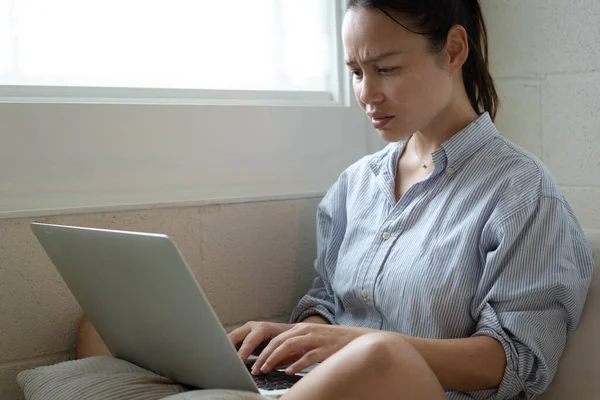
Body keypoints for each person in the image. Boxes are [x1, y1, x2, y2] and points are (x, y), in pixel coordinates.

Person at [79, 1, 594, 399]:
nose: (366, 93)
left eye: (386, 69)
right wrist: (296, 336)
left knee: (382, 357)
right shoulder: (356, 185)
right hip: (320, 385)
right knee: (98, 327)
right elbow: (327, 302)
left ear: (455, 50)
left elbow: (516, 360)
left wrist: (356, 346)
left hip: (411, 388)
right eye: (354, 72)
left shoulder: (520, 190)